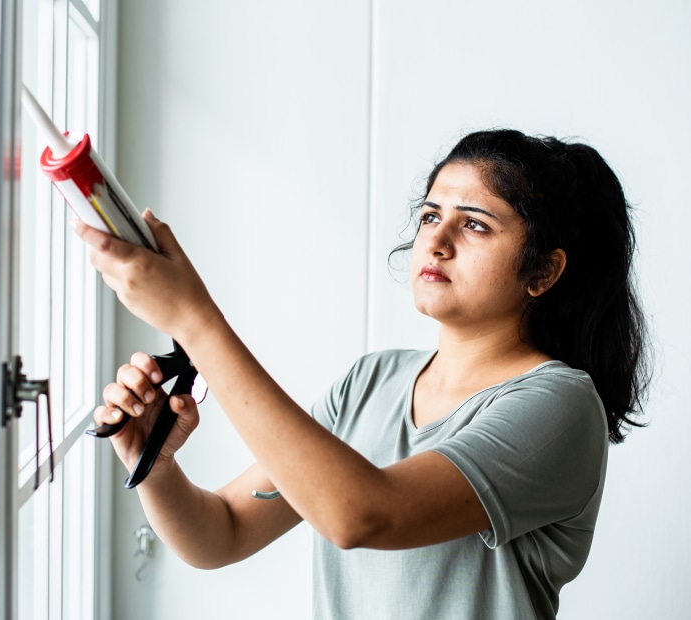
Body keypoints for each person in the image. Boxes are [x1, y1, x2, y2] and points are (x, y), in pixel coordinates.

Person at [73, 129, 650, 619]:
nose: (438, 241)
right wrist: (153, 463)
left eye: (474, 224)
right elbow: (221, 532)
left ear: (544, 272)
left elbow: (362, 514)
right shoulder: (370, 382)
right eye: (430, 215)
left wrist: (194, 320)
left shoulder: (560, 406)